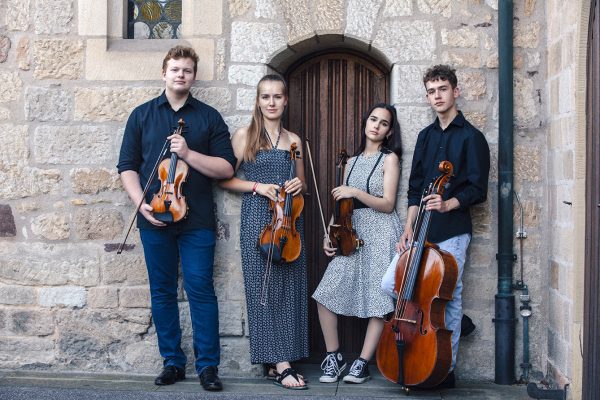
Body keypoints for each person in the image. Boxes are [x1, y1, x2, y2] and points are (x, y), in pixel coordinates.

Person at [117, 45, 235, 391]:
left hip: (196, 219)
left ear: (194, 76)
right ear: (164, 73)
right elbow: (127, 166)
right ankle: (172, 362)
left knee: (201, 289)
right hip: (154, 217)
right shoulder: (141, 115)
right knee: (163, 291)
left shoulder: (209, 117)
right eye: (175, 69)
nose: (180, 74)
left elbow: (226, 167)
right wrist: (142, 205)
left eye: (187, 70)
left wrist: (188, 153)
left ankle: (208, 367)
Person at [382, 64, 490, 389]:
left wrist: (447, 203)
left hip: (453, 229)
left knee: (451, 297)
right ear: (427, 96)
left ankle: (445, 369)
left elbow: (477, 189)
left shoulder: (472, 138)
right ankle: (457, 327)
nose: (437, 95)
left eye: (443, 89)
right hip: (422, 230)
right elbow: (415, 187)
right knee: (391, 284)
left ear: (455, 91)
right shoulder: (425, 137)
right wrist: (408, 228)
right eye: (431, 91)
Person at [219, 74, 309, 390]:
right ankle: (282, 364)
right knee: (263, 292)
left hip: (288, 221)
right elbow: (224, 179)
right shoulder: (245, 136)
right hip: (258, 218)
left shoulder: (295, 140)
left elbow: (302, 183)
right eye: (265, 97)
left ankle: (278, 362)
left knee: (289, 289)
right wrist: (258, 186)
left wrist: (300, 184)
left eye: (277, 97)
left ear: (286, 101)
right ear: (258, 101)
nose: (271, 103)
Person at [312, 103, 403, 384]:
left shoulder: (390, 159)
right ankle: (334, 356)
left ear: (388, 132)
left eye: (384, 123)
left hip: (381, 231)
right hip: (351, 231)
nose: (376, 125)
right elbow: (342, 202)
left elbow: (388, 204)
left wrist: (355, 191)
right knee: (325, 294)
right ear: (365, 123)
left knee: (378, 300)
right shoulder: (349, 162)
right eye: (373, 119)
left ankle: (363, 362)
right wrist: (329, 233)